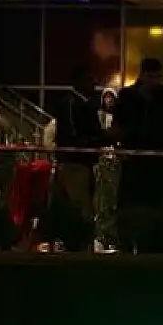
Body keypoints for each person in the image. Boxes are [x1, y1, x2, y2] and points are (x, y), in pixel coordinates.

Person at [111, 58, 163, 210]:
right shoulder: (128, 96)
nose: (154, 81)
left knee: (154, 202)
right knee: (135, 202)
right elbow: (119, 124)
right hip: (136, 158)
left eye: (157, 77)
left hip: (159, 158)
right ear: (142, 75)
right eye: (151, 76)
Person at [47, 66, 104, 220]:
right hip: (74, 164)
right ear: (79, 82)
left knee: (78, 206)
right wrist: (103, 138)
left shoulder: (81, 104)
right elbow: (73, 138)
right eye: (90, 80)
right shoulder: (73, 105)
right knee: (79, 209)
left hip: (79, 163)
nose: (94, 84)